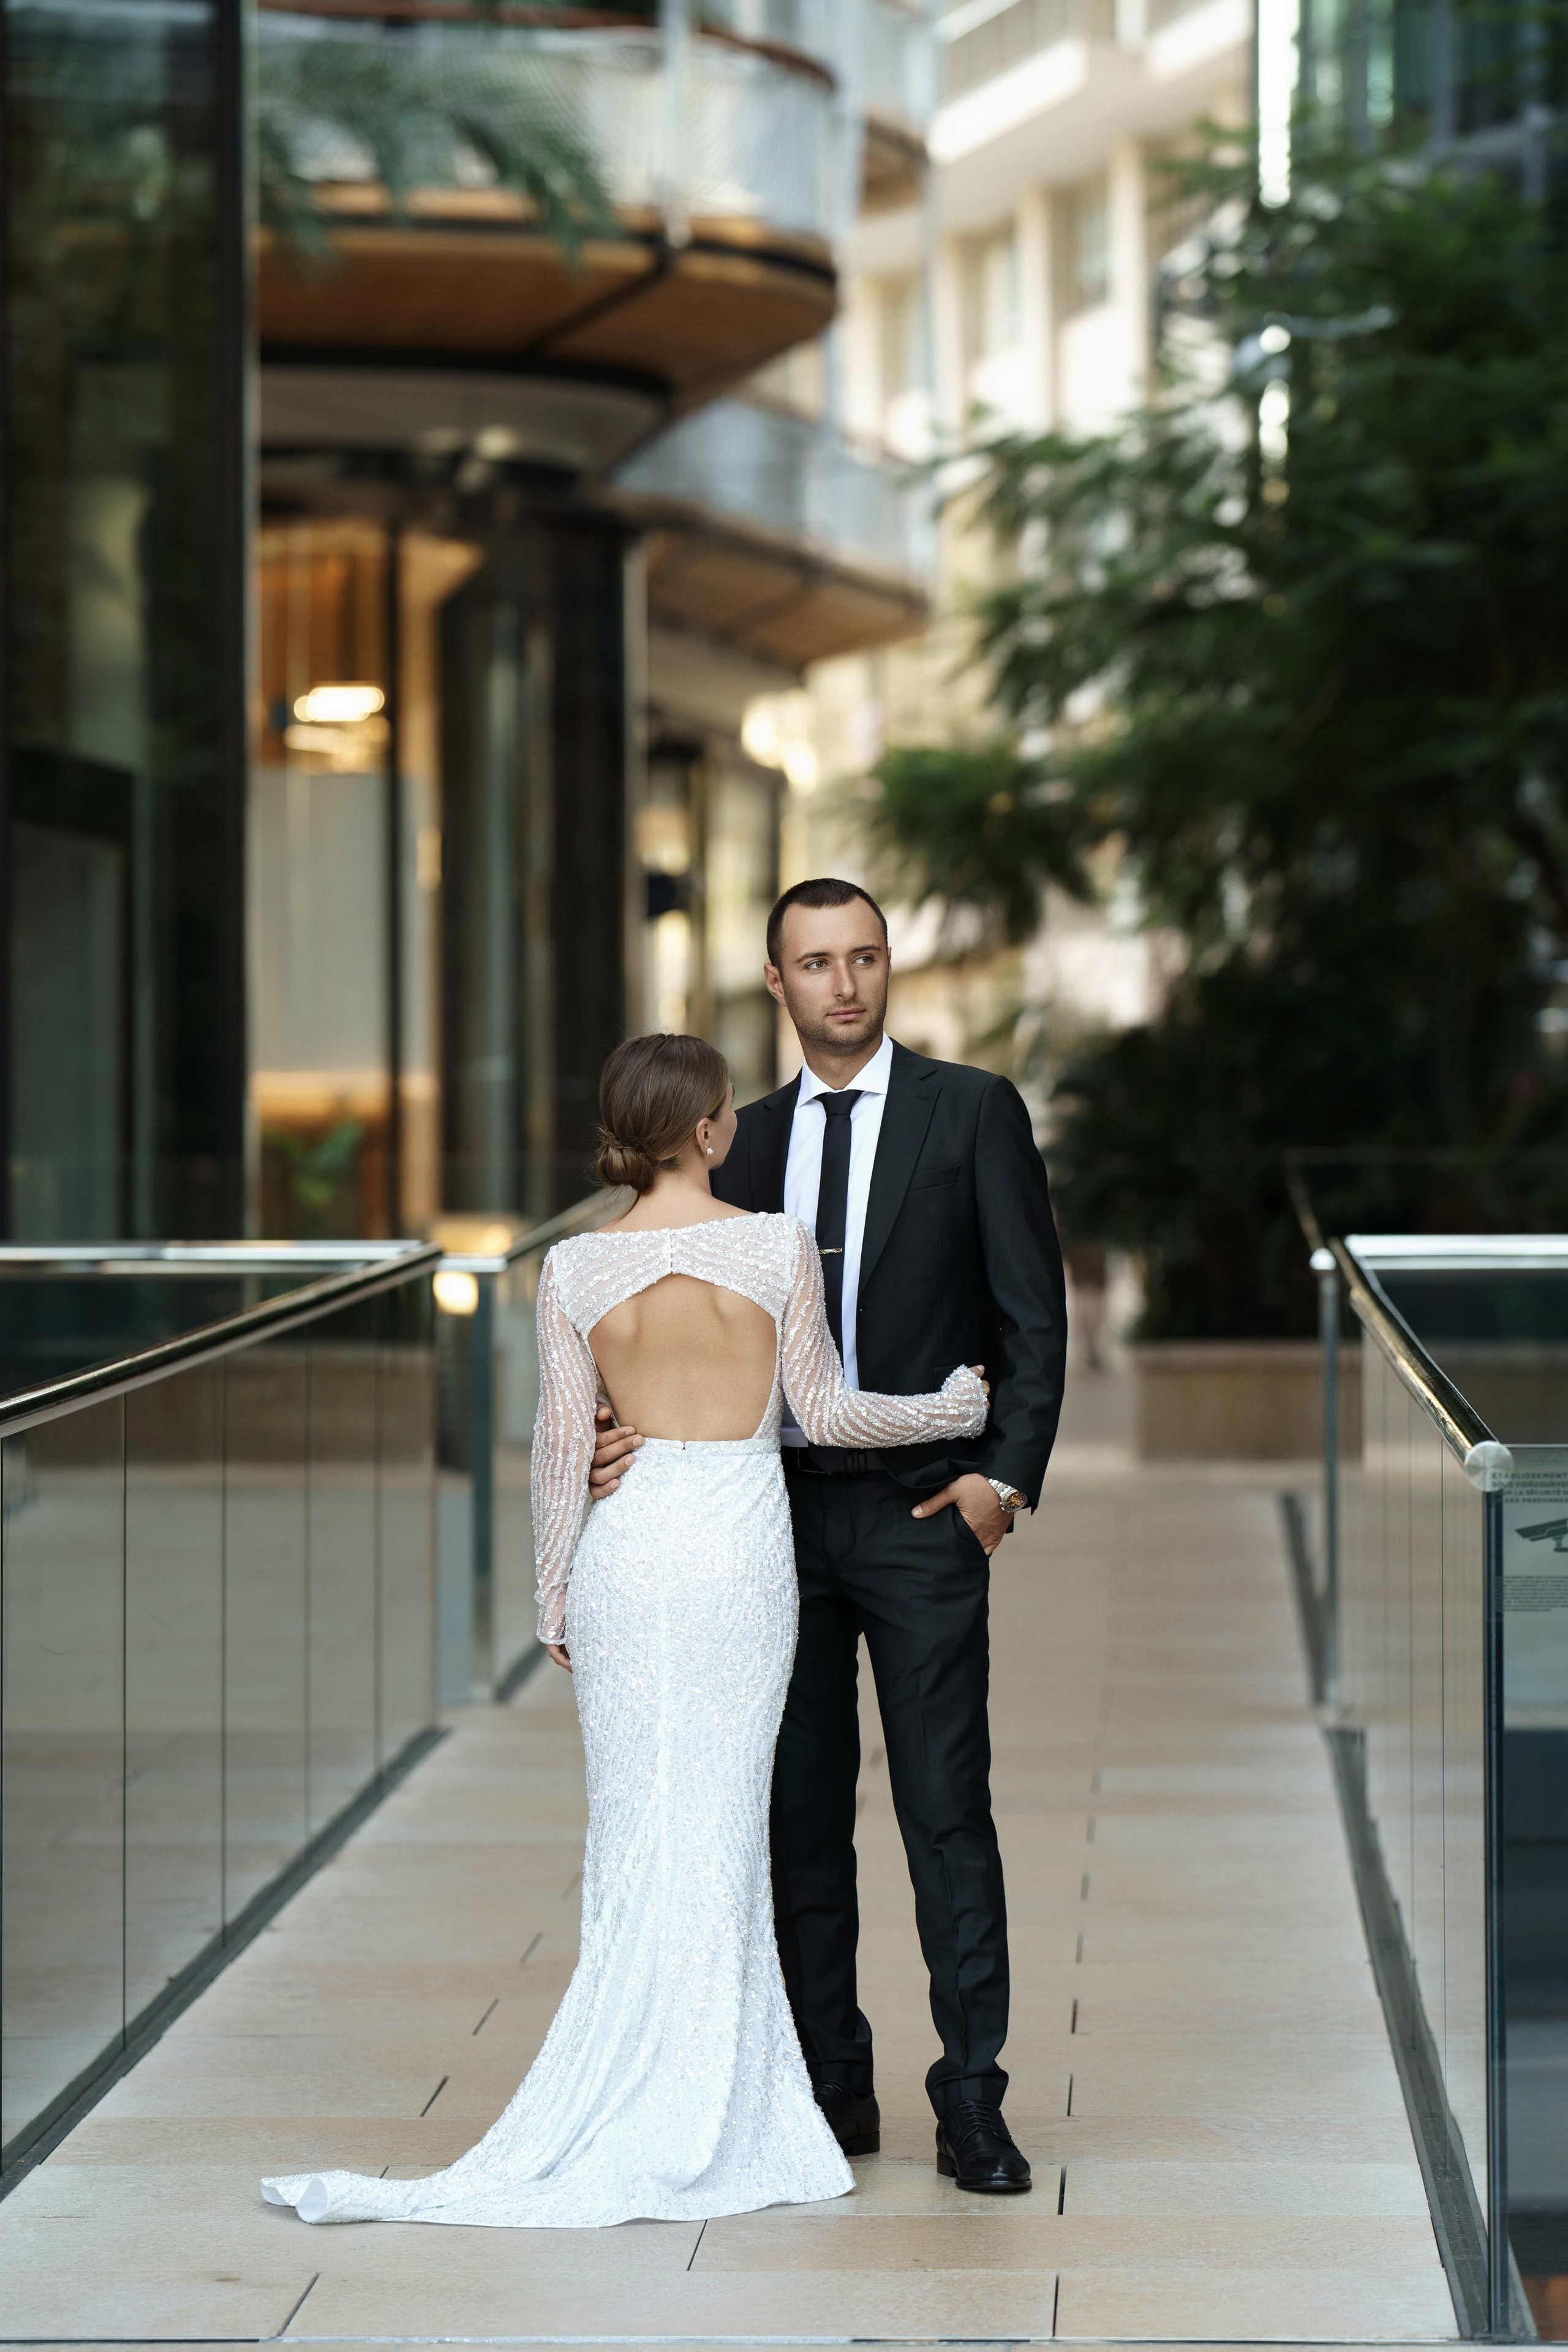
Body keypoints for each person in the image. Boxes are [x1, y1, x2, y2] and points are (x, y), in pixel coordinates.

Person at [260, 1031, 987, 2229]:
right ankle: (720, 2105)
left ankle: (645, 2089)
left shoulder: (574, 1270)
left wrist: (553, 1598)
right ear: (707, 1130)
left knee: (636, 1824)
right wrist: (951, 1406)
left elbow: (560, 1452)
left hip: (629, 1551)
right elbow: (827, 1412)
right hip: (739, 1550)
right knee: (721, 1824)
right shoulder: (770, 1242)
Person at [590, 880, 1067, 2196]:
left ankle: (970, 2096)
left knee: (942, 1810)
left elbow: (1034, 1315)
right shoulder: (727, 1145)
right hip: (767, 1523)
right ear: (774, 982)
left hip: (924, 1516)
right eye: (814, 963)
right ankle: (828, 2089)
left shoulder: (970, 1111)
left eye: (861, 958)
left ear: (885, 967)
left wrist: (999, 1483)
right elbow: (635, 1305)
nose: (842, 984)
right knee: (796, 1816)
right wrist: (605, 1438)